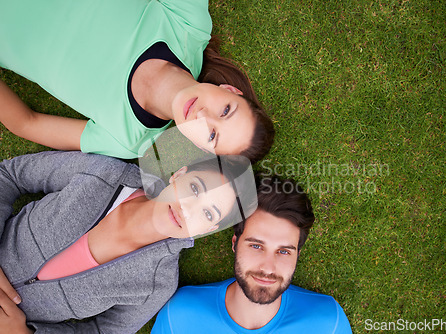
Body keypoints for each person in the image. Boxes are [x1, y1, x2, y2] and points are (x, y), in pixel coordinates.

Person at [0, 150, 256, 333]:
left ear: (207, 229)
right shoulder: (104, 174)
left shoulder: (157, 286)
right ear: (179, 175)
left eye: (208, 213)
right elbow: (10, 175)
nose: (188, 209)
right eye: (196, 189)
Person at [0, 0, 274, 163]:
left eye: (212, 136)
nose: (203, 116)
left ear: (199, 148)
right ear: (229, 90)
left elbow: (27, 123)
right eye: (225, 110)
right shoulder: (190, 25)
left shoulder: (130, 140)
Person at [151, 175, 352, 333]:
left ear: (297, 255)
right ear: (235, 243)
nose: (268, 267)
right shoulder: (181, 316)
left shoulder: (328, 323)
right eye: (256, 246)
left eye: (283, 251)